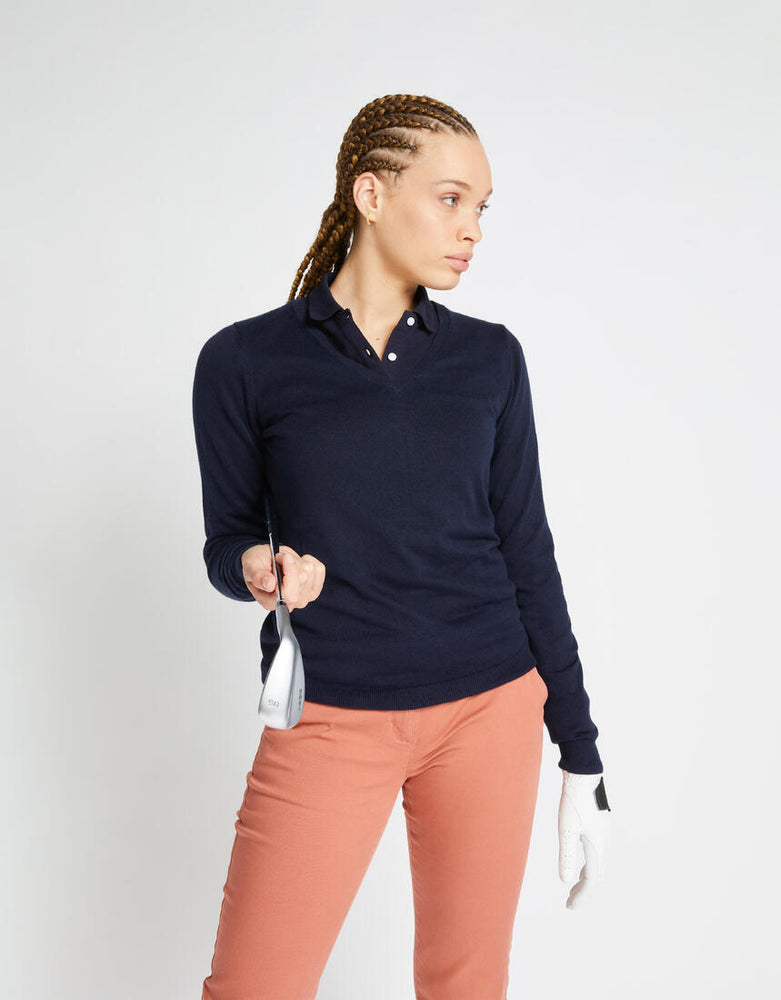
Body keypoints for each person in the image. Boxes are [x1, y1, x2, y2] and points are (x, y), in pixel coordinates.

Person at [191, 93, 611, 1000]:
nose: (473, 230)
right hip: (329, 711)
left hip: (490, 711)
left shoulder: (490, 359)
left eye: (482, 208)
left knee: (467, 985)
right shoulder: (246, 362)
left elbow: (528, 553)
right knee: (254, 987)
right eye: (451, 199)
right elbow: (228, 539)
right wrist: (257, 567)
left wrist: (579, 748)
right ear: (371, 194)